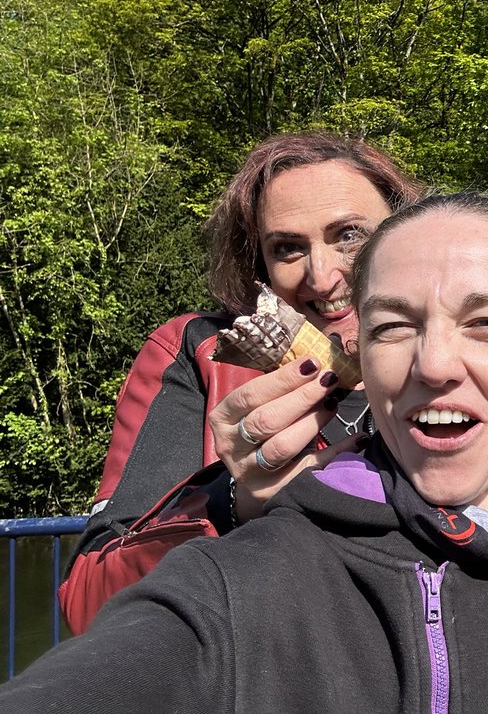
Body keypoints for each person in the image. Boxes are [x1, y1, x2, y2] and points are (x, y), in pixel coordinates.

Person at [3, 192, 488, 714]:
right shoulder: (240, 586)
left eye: (486, 322)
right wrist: (232, 502)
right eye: (393, 326)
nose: (435, 363)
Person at [58, 132, 421, 633]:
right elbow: (88, 601)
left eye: (350, 235)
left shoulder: (451, 366)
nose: (322, 277)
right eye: (288, 248)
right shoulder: (199, 352)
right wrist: (233, 501)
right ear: (261, 265)